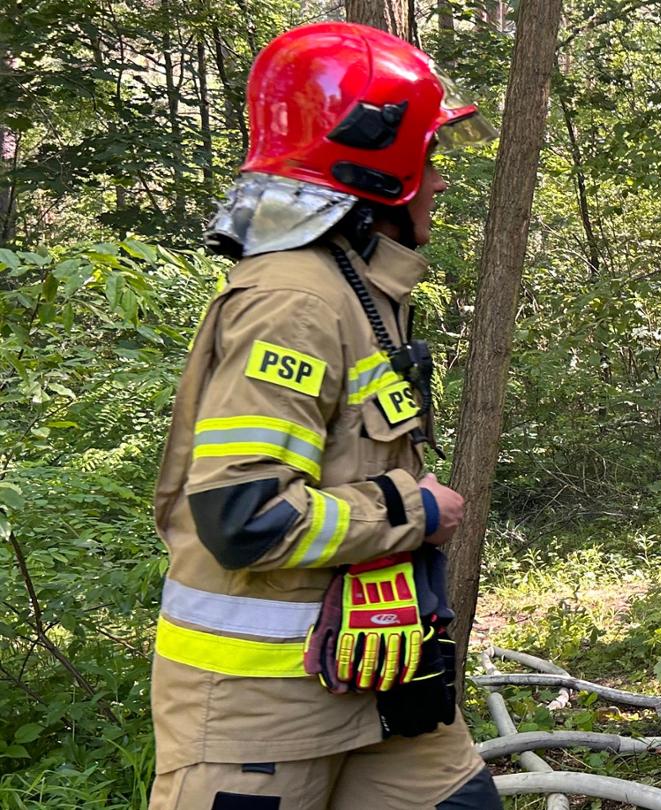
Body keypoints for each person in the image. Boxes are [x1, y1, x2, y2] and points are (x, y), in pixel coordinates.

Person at [148, 22, 504, 809]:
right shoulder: (293, 302)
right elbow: (242, 516)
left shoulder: (354, 288)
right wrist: (415, 508)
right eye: (429, 160)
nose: (439, 183)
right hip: (260, 716)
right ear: (375, 169)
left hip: (379, 676)